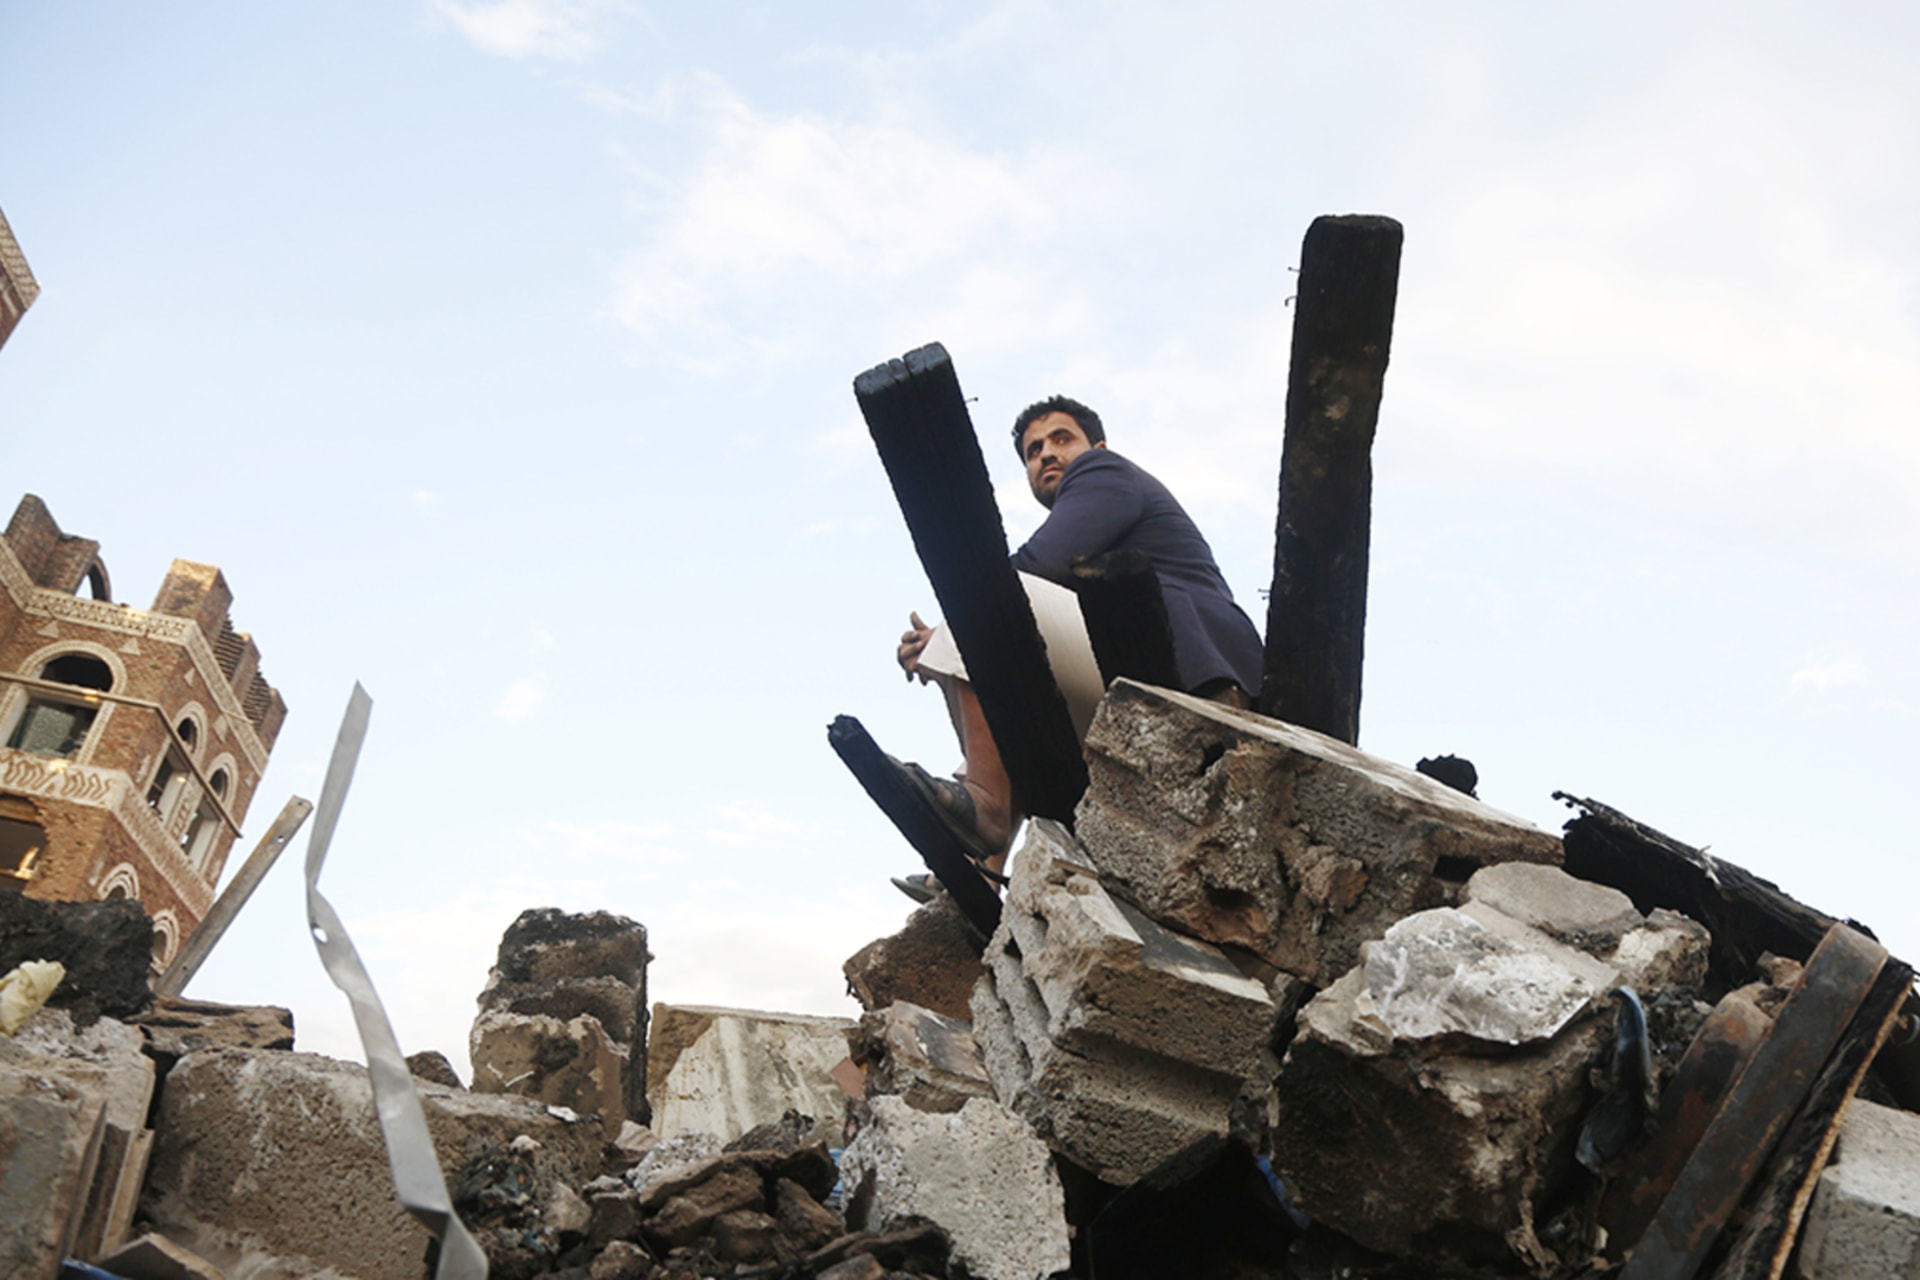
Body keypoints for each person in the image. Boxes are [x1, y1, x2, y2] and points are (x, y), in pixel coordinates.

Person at [890, 396, 1263, 900]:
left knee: (980, 594)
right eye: (1033, 450)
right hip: (1125, 678)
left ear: (1097, 447)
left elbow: (1032, 569)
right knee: (1003, 669)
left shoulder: (1104, 471)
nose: (1045, 453)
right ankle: (977, 870)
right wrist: (948, 657)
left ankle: (985, 806)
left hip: (1189, 671)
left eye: (1061, 438)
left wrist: (951, 634)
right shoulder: (1090, 513)